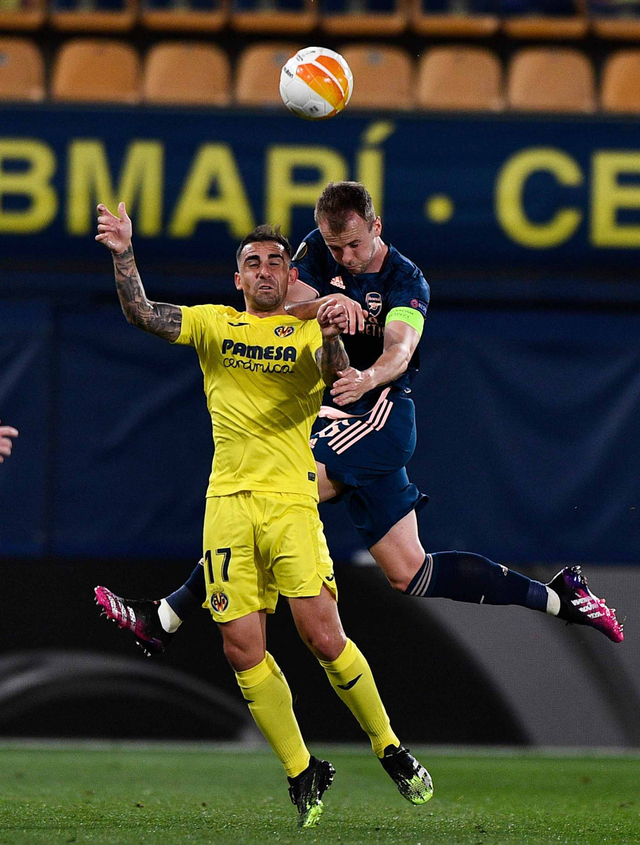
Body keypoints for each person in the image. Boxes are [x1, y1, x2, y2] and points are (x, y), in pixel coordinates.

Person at [95, 182, 623, 653]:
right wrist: (327, 304)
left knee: (274, 494)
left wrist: (367, 369)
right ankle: (560, 598)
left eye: (354, 245)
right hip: (341, 417)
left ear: (376, 227)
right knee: (409, 571)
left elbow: (399, 346)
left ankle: (164, 617)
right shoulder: (315, 253)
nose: (344, 256)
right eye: (333, 247)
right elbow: (282, 305)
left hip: (378, 414)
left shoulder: (405, 279)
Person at [95, 203, 433, 828]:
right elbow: (143, 313)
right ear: (239, 281)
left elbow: (338, 379)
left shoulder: (307, 332)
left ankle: (390, 747)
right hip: (225, 507)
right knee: (241, 648)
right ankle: (303, 769)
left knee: (322, 636)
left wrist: (331, 325)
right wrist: (124, 252)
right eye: (253, 263)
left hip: (290, 504)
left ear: (290, 275)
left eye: (277, 261)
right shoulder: (215, 326)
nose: (266, 270)